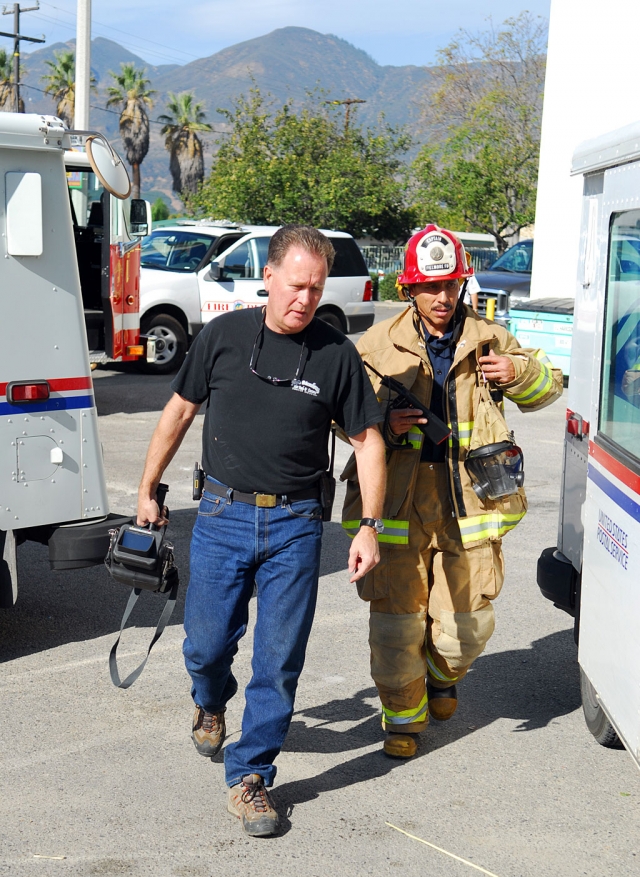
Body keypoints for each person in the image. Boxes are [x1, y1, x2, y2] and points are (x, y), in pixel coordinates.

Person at [137, 225, 386, 836]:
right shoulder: (222, 337)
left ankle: (251, 776)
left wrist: (369, 526)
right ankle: (211, 700)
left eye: (317, 288)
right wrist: (147, 490)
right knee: (205, 642)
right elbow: (178, 412)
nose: (305, 298)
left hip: (297, 525)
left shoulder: (336, 355)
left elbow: (368, 441)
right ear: (268, 277)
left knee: (278, 659)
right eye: (296, 285)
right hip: (222, 515)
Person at [341, 225, 562, 758]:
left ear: (464, 283)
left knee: (467, 625)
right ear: (408, 288)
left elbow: (548, 388)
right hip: (397, 503)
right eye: (430, 287)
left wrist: (519, 371)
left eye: (451, 285)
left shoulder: (491, 339)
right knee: (395, 623)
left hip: (471, 501)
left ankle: (442, 676)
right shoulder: (373, 347)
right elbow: (341, 417)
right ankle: (402, 720)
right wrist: (386, 425)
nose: (442, 298)